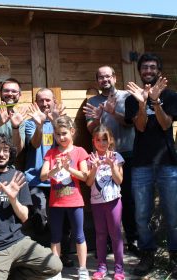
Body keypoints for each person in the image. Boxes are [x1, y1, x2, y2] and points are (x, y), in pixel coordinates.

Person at [0, 134, 63, 280]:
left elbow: (24, 216)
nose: (1, 154)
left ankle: (14, 274)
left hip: (18, 242)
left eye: (5, 150)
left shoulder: (18, 177)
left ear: (10, 154)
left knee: (54, 265)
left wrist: (13, 198)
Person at [125, 53, 177, 277]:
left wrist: (155, 101)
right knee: (142, 214)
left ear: (158, 71)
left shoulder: (171, 95)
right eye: (144, 67)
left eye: (152, 67)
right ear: (139, 71)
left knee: (173, 214)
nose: (148, 70)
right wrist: (142, 102)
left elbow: (166, 125)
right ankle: (147, 254)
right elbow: (141, 127)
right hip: (141, 163)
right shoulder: (131, 98)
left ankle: (175, 256)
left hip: (168, 163)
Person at [83, 66, 138, 255]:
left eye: (108, 76)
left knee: (129, 199)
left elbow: (132, 123)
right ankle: (105, 242)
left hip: (128, 154)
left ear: (114, 77)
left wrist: (113, 112)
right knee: (104, 199)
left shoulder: (127, 97)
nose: (105, 80)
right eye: (101, 77)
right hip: (102, 158)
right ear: (97, 80)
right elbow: (91, 129)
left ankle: (132, 240)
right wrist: (98, 119)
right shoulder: (92, 101)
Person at [25, 88, 74, 267]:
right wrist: (39, 125)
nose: (45, 104)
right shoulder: (31, 123)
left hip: (60, 179)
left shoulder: (62, 124)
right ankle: (46, 257)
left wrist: (54, 121)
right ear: (36, 103)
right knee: (40, 217)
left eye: (48, 100)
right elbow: (35, 143)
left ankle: (65, 255)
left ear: (54, 101)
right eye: (41, 101)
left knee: (65, 220)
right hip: (36, 180)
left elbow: (67, 143)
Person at [40, 115, 89, 280]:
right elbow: (43, 176)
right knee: (55, 237)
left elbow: (85, 175)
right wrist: (56, 169)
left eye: (64, 133)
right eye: (58, 134)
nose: (61, 137)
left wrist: (69, 168)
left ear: (72, 132)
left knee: (79, 235)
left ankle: (83, 269)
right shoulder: (51, 153)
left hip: (75, 201)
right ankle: (56, 271)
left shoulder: (79, 151)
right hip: (55, 203)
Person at [86, 125, 125, 280]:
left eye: (105, 139)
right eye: (98, 140)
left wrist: (112, 165)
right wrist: (94, 168)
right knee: (100, 235)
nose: (102, 143)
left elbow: (119, 180)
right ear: (94, 141)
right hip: (97, 203)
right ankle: (101, 268)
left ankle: (119, 269)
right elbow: (89, 182)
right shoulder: (90, 158)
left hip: (114, 202)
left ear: (110, 140)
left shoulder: (116, 156)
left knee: (115, 235)